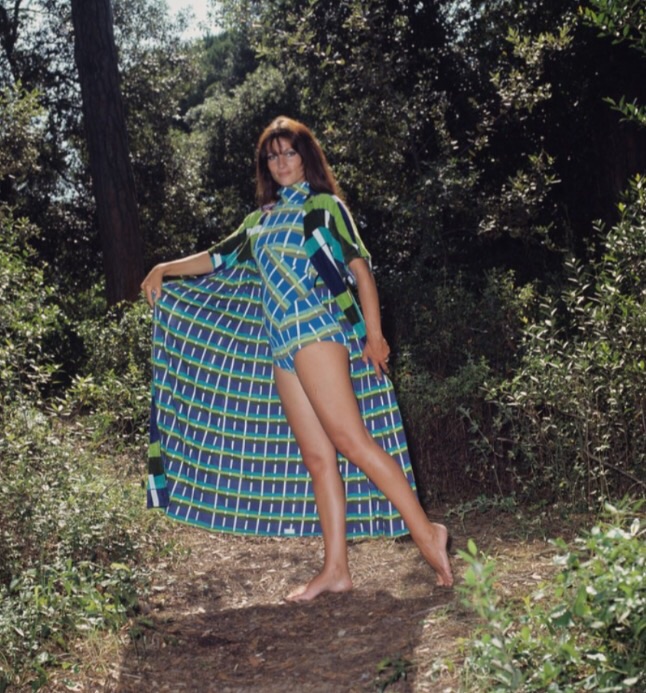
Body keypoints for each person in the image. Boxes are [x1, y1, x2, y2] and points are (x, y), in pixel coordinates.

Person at [141, 116, 453, 600]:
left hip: (316, 331)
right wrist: (164, 267)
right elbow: (216, 257)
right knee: (317, 457)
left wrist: (374, 335)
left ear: (306, 156)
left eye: (289, 152)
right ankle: (336, 570)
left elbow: (360, 269)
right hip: (281, 344)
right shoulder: (261, 220)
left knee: (351, 441)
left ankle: (426, 533)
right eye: (273, 156)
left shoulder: (323, 206)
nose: (281, 162)